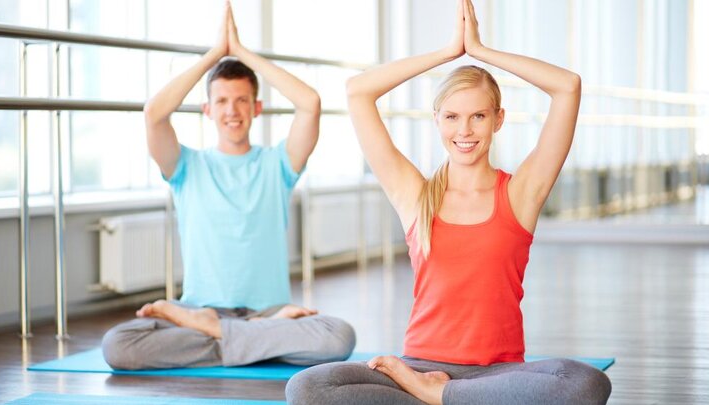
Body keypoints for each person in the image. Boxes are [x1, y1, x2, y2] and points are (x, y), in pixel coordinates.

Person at [286, 0, 611, 404]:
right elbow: (358, 92)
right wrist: (447, 52)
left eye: (478, 116)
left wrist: (481, 51)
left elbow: (568, 86)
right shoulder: (416, 194)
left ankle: (441, 396)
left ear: (498, 119)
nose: (465, 130)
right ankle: (442, 395)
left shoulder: (520, 193)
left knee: (585, 382)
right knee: (307, 386)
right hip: (417, 366)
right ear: (437, 119)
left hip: (498, 374)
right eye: (452, 116)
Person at [101, 0, 355, 370]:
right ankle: (248, 337)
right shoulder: (186, 166)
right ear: (207, 110)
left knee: (339, 336)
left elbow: (310, 103)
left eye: (241, 101)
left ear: (257, 107)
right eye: (221, 101)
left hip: (269, 311)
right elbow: (154, 113)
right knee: (118, 345)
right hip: (200, 309)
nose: (232, 111)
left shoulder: (278, 164)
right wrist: (213, 56)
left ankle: (221, 333)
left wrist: (244, 53)